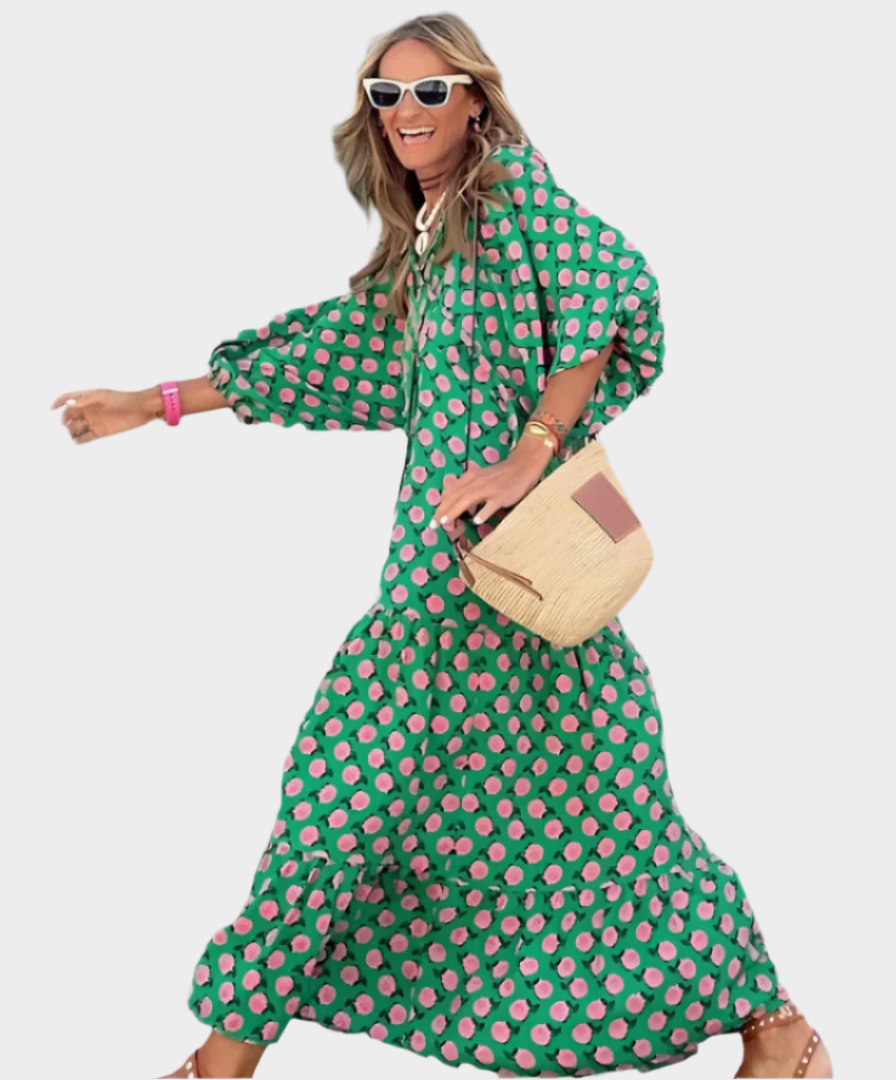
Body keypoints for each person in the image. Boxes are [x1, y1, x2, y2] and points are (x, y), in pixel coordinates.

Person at [53, 14, 832, 1080]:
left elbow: (609, 286)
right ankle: (779, 1031)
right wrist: (156, 401)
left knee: (363, 807)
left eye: (431, 90)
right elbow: (329, 352)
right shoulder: (437, 240)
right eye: (387, 94)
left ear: (475, 98)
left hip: (514, 572)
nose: (407, 112)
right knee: (587, 818)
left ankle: (221, 1062)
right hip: (444, 581)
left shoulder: (511, 197)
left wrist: (528, 453)